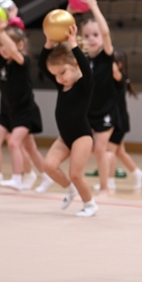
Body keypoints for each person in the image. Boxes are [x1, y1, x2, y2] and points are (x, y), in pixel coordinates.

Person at [0, 19, 51, 191]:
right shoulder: (1, 60)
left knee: (13, 143)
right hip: (8, 111)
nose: (3, 49)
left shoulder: (22, 61)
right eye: (0, 45)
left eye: (6, 45)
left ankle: (17, 179)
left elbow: (10, 49)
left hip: (25, 111)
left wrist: (1, 32)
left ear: (19, 45)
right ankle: (46, 176)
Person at [39, 23, 98, 217]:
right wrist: (48, 44)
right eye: (55, 75)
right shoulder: (61, 86)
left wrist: (73, 45)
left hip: (81, 136)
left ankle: (90, 204)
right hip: (65, 137)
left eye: (62, 72)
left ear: (74, 65)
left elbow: (87, 70)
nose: (59, 78)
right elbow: (42, 65)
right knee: (48, 166)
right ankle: (70, 189)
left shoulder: (83, 85)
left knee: (76, 173)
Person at [75, 0, 119, 195]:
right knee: (89, 149)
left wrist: (93, 6)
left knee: (100, 148)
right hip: (88, 110)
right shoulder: (82, 57)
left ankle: (105, 186)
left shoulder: (106, 56)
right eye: (86, 35)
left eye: (95, 35)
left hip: (107, 109)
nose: (91, 39)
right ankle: (81, 180)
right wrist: (69, 11)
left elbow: (106, 33)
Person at [101, 49, 142, 191]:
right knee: (120, 152)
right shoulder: (110, 78)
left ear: (119, 65)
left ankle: (110, 181)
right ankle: (138, 173)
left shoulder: (119, 77)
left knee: (109, 152)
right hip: (117, 120)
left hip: (119, 121)